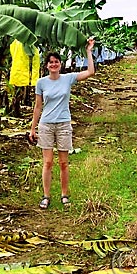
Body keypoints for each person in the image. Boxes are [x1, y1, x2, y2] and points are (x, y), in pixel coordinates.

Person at [29, 38, 95, 209]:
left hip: (64, 124)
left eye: (56, 62)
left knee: (64, 162)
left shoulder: (68, 78)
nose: (53, 64)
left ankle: (65, 195)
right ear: (47, 65)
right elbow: (38, 106)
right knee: (48, 162)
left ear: (60, 64)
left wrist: (89, 51)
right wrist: (32, 128)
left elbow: (90, 72)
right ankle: (46, 196)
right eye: (50, 62)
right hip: (46, 125)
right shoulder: (41, 82)